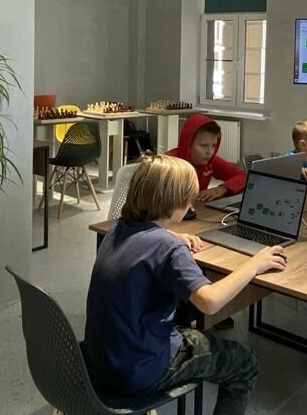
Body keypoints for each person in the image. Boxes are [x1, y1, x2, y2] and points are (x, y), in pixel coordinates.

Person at [83, 155, 287, 414]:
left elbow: (152, 238)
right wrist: (255, 264)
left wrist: (172, 234)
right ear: (172, 204)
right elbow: (210, 302)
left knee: (180, 303)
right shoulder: (168, 248)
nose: (191, 206)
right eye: (187, 200)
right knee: (244, 362)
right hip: (139, 371)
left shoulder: (120, 226)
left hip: (99, 362)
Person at [167, 114, 246, 206]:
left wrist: (221, 189)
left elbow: (243, 176)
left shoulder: (211, 161)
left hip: (196, 209)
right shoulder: (167, 164)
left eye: (214, 145)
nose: (210, 152)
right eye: (203, 145)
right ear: (188, 143)